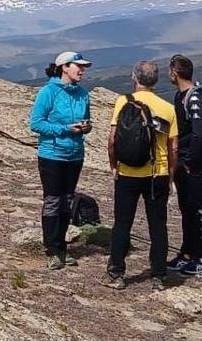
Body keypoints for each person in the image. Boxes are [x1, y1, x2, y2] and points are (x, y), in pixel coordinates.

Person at [105, 61, 179, 290]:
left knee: (122, 223)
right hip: (158, 172)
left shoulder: (123, 102)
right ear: (156, 81)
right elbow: (173, 146)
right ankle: (158, 275)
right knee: (158, 224)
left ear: (134, 78)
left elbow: (112, 139)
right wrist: (170, 175)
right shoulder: (168, 108)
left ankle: (116, 273)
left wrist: (114, 166)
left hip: (128, 172)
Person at [29, 52, 93, 271]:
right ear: (64, 67)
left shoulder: (83, 94)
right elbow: (36, 123)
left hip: (75, 154)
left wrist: (86, 127)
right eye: (78, 66)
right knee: (53, 201)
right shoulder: (48, 92)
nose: (82, 70)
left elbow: (87, 120)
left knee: (67, 200)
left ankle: (63, 248)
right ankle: (52, 249)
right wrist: (65, 129)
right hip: (51, 155)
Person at [168, 54, 202, 277]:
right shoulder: (180, 96)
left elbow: (200, 134)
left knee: (197, 207)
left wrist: (192, 161)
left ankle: (200, 258)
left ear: (174, 73)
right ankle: (186, 253)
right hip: (183, 160)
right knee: (186, 208)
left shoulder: (195, 98)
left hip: (193, 162)